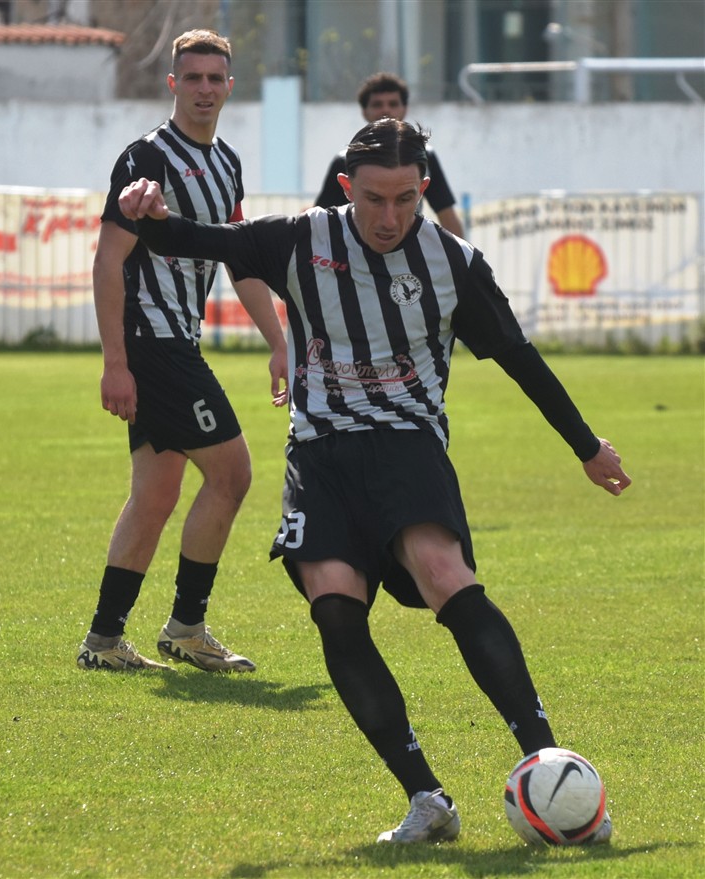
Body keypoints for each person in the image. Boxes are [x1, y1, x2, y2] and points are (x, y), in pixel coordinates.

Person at [116, 117, 627, 843]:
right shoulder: (302, 237)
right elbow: (196, 240)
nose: (390, 217)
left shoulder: (453, 262)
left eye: (406, 199)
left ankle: (551, 766)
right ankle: (426, 798)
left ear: (424, 189)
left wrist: (586, 446)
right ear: (346, 187)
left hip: (406, 444)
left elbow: (520, 357)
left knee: (444, 572)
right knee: (334, 606)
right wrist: (146, 210)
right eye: (374, 199)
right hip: (319, 453)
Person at [78, 28, 287, 673]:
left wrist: (278, 342)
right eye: (191, 77)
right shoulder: (146, 158)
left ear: (229, 86)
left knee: (156, 494)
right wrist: (116, 363)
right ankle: (186, 628)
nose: (204, 89)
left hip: (174, 342)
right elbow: (107, 261)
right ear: (172, 83)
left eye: (214, 78)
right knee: (232, 474)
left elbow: (240, 260)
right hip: (154, 343)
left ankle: (104, 642)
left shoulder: (227, 164)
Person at [314, 72, 466, 239]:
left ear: (405, 109)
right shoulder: (343, 161)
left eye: (393, 104)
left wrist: (459, 253)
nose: (385, 110)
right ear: (364, 112)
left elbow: (447, 214)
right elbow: (321, 224)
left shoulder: (425, 157)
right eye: (377, 104)